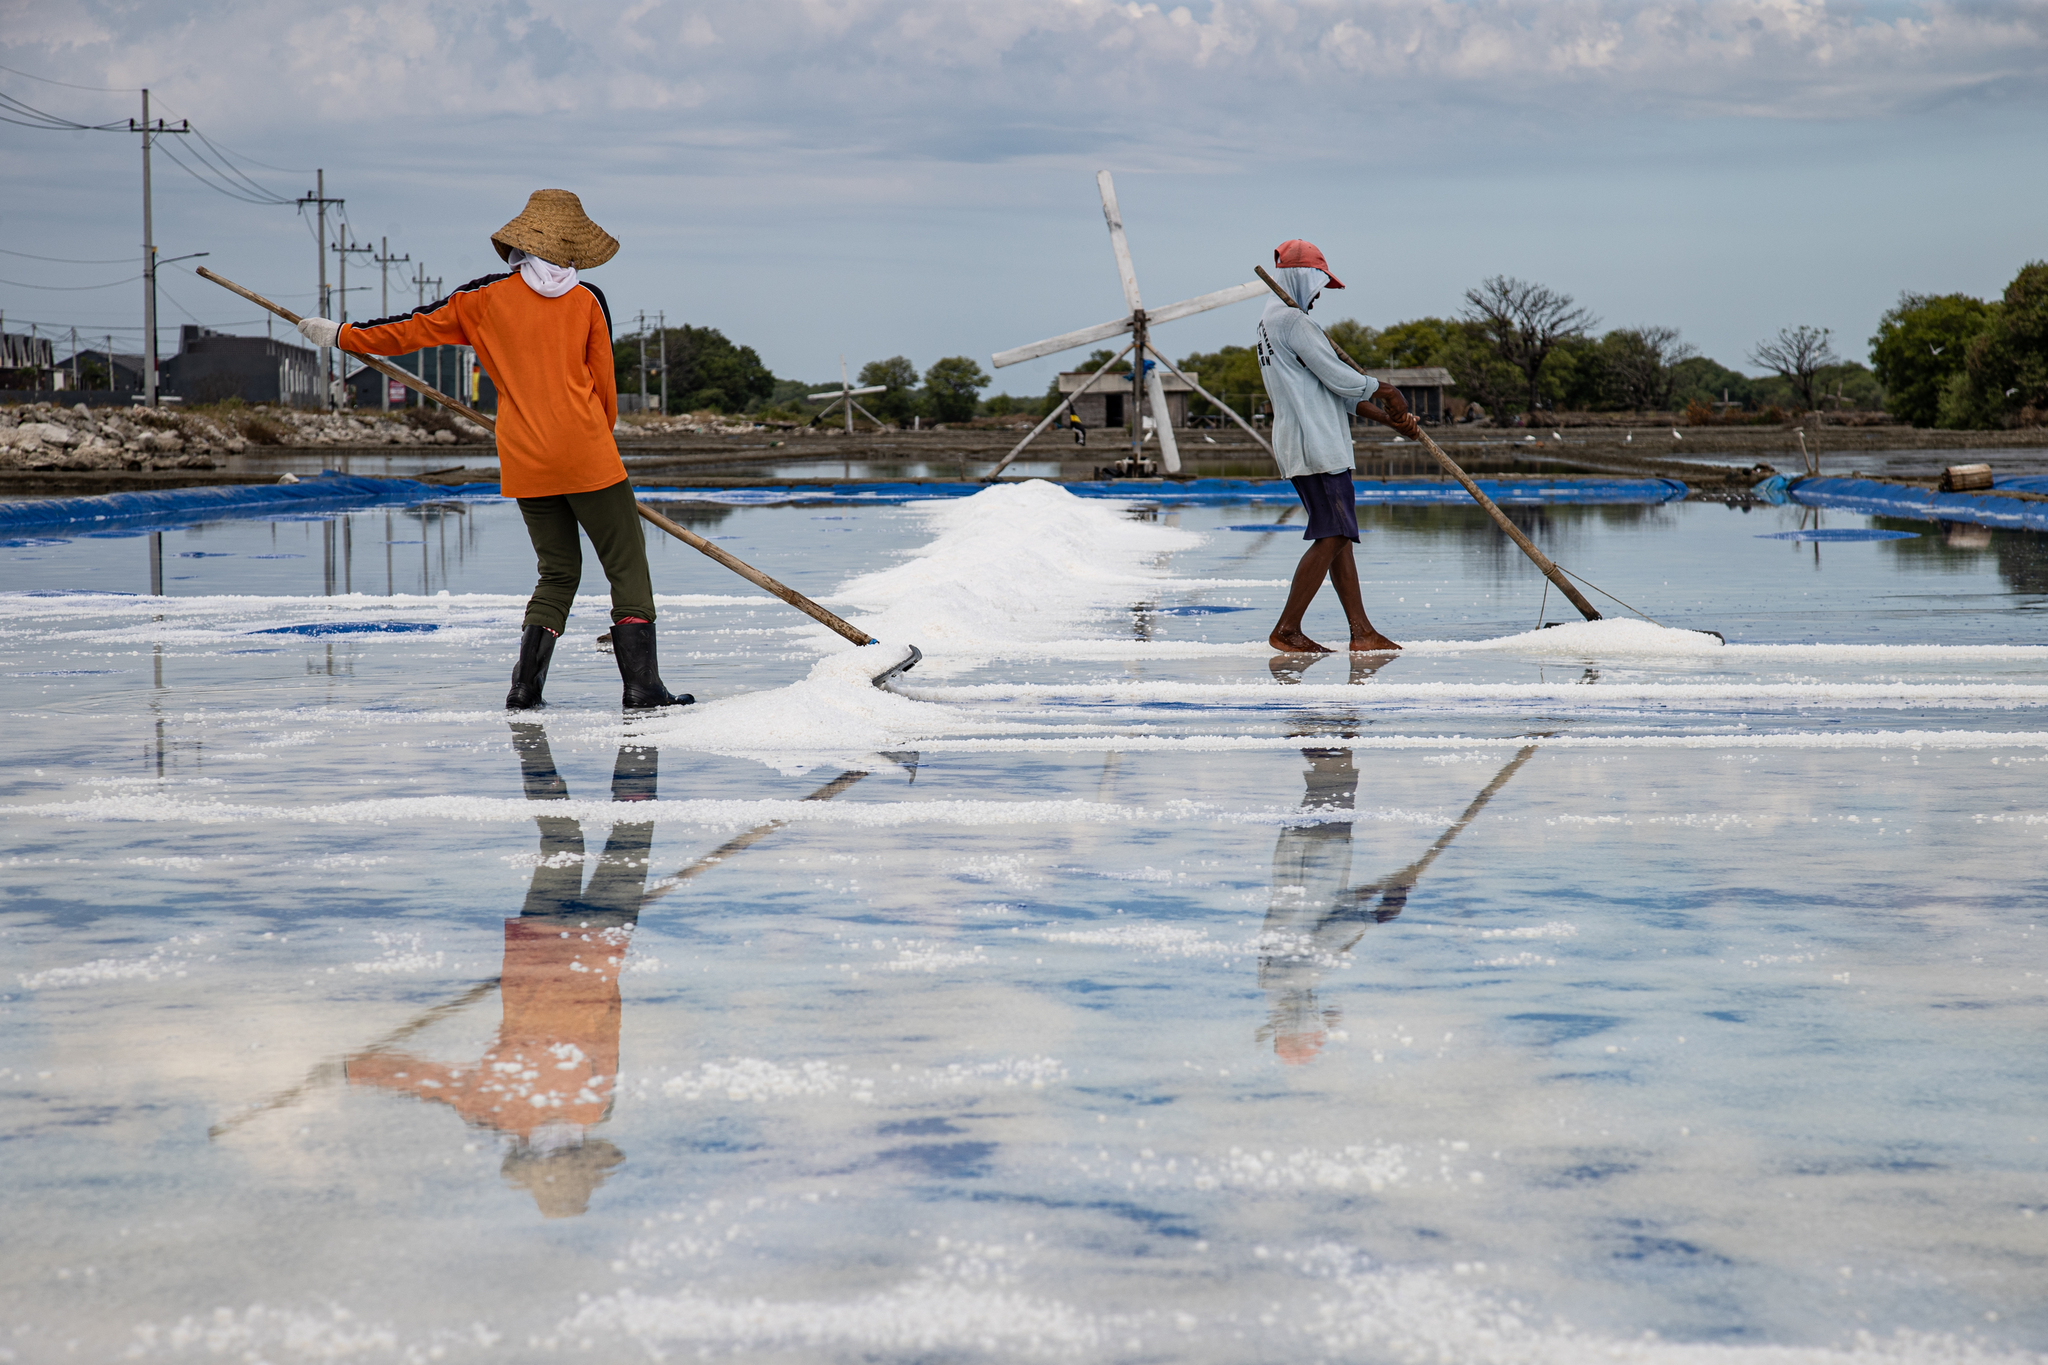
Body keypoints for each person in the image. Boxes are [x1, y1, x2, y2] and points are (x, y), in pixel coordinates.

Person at [294, 189, 690, 711]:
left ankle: (525, 689)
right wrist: (593, 442)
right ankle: (642, 688)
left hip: (525, 459)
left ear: (519, 244)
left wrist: (342, 335)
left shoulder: (480, 300)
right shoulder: (587, 299)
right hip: (589, 454)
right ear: (571, 248)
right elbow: (605, 391)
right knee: (627, 569)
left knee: (557, 573)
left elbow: (410, 329)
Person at [1256, 239, 1420, 654]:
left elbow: (1337, 390)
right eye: (1316, 284)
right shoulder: (1292, 321)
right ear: (1302, 277)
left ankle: (1362, 632)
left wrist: (1391, 421)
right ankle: (1287, 630)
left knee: (1339, 534)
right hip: (1316, 445)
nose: (1316, 295)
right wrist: (1389, 391)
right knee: (1333, 534)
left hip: (1307, 442)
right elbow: (1341, 377)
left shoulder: (1272, 321)